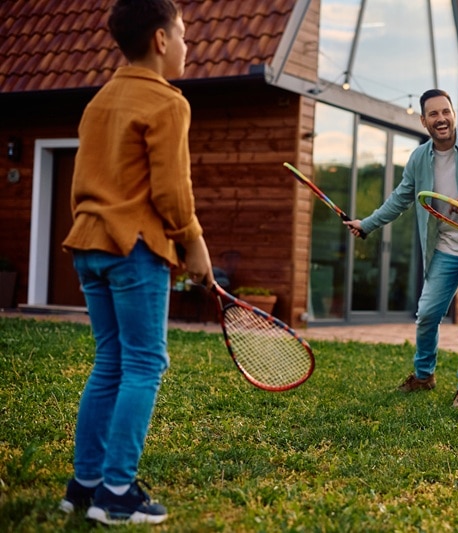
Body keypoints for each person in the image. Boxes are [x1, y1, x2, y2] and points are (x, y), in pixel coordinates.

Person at [59, 0, 213, 525]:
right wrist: (193, 244)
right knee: (145, 364)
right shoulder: (168, 102)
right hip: (134, 249)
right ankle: (117, 491)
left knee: (110, 361)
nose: (188, 47)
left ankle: (83, 485)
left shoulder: (99, 100)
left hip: (89, 246)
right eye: (185, 35)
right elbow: (172, 191)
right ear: (162, 40)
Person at [344, 89, 458, 409]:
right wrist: (367, 224)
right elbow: (400, 199)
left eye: (446, 112)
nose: (441, 119)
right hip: (445, 249)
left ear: (454, 114)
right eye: (434, 114)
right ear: (424, 121)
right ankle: (424, 376)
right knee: (426, 314)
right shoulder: (419, 159)